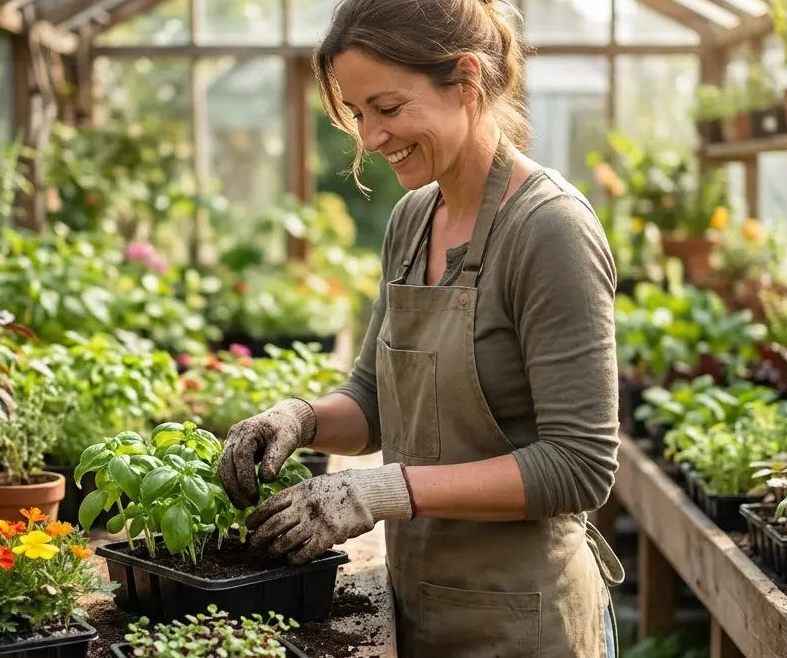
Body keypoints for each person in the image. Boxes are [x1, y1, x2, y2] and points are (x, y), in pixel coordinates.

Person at [217, 0, 624, 655]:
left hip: (524, 622)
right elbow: (377, 400)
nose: (371, 137)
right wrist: (300, 419)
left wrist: (376, 489)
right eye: (358, 114)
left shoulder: (550, 230)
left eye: (388, 107)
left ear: (465, 81)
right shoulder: (412, 219)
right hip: (419, 609)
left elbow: (579, 465)